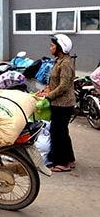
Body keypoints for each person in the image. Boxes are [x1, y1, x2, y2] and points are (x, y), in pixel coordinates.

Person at [36, 34, 76, 172]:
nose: (50, 48)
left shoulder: (65, 64)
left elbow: (64, 86)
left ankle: (62, 163)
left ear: (60, 47)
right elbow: (54, 83)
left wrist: (49, 96)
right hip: (59, 102)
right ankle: (69, 159)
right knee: (62, 131)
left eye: (52, 45)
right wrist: (44, 91)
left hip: (63, 104)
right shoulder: (59, 61)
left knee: (57, 132)